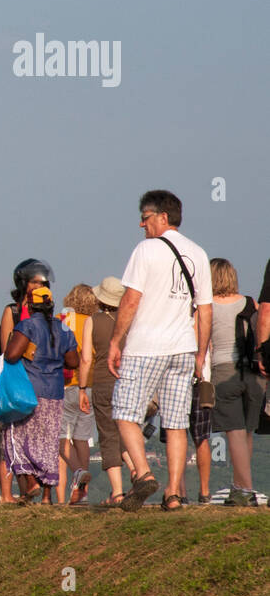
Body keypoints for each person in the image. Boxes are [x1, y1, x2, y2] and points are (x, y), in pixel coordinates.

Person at [108, 190, 212, 512]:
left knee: (125, 412)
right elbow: (204, 311)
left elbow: (131, 299)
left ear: (163, 217)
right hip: (183, 348)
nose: (142, 224)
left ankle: (143, 474)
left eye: (146, 217)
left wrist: (115, 342)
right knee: (177, 422)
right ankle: (174, 495)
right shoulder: (199, 254)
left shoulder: (147, 249)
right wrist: (199, 354)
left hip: (145, 346)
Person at [3, 285, 79, 504]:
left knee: (17, 438)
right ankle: (47, 496)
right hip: (54, 393)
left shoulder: (27, 326)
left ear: (31, 304)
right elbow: (73, 361)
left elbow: (11, 356)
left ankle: (30, 484)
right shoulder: (64, 329)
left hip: (28, 392)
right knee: (47, 443)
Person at [0, 259, 54, 502]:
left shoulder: (48, 311)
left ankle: (34, 489)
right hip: (18, 381)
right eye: (35, 282)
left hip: (42, 381)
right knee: (11, 437)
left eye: (43, 282)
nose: (41, 286)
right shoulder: (13, 311)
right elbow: (7, 346)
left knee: (37, 438)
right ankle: (16, 492)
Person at [209, 258, 263, 506]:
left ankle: (245, 489)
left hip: (224, 370)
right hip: (254, 374)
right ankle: (240, 486)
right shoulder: (250, 302)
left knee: (234, 432)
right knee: (247, 433)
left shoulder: (207, 307)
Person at [78, 277, 128, 507]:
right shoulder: (131, 319)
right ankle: (139, 472)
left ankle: (117, 492)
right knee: (128, 430)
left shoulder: (93, 321)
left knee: (108, 434)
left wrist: (81, 388)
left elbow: (86, 358)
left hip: (103, 381)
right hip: (129, 381)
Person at [58, 284, 97, 504]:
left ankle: (78, 471)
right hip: (90, 384)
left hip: (66, 384)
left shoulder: (62, 318)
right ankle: (83, 492)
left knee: (60, 438)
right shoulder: (94, 322)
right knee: (82, 438)